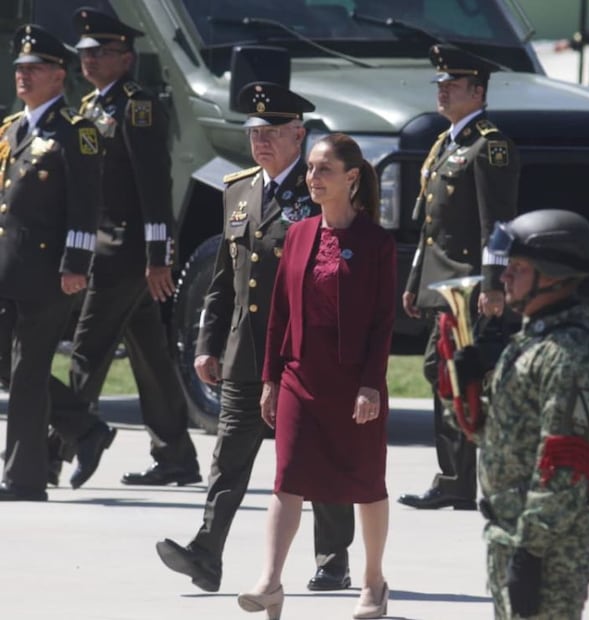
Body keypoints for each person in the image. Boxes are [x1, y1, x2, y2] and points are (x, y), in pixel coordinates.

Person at [155, 83, 354, 595]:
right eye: (254, 133)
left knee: (314, 451)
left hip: (302, 349)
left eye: (272, 133)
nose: (260, 142)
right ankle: (206, 552)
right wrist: (207, 342)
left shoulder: (318, 193)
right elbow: (224, 278)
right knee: (230, 454)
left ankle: (333, 558)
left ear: (298, 136)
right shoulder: (239, 188)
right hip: (246, 348)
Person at [43, 7, 201, 488]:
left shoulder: (138, 106)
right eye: (85, 52)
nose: (89, 60)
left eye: (102, 52)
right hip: (104, 249)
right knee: (151, 356)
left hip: (126, 254)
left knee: (87, 353)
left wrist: (159, 258)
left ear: (126, 59)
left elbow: (155, 185)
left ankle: (54, 451)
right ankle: (175, 455)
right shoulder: (91, 107)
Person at [240, 132, 395, 620]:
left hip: (354, 384)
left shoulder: (376, 242)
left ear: (352, 177)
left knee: (366, 482)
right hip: (300, 377)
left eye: (323, 169)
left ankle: (373, 581)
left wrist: (371, 383)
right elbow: (279, 314)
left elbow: (383, 323)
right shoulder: (299, 233)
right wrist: (269, 378)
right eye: (309, 169)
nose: (312, 178)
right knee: (287, 478)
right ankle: (269, 583)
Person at [473, 209, 589, 619]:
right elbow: (492, 435)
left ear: (550, 275)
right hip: (510, 533)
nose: (504, 278)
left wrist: (530, 554)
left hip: (549, 548)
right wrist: (459, 387)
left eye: (517, 268)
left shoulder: (570, 355)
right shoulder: (529, 342)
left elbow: (565, 465)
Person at [398, 44, 519, 511]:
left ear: (479, 91)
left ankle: (480, 478)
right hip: (441, 282)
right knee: (448, 374)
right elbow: (432, 227)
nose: (443, 91)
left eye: (454, 85)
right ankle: (457, 480)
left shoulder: (489, 145)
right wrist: (415, 281)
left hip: (469, 283)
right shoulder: (447, 142)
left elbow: (498, 225)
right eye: (441, 84)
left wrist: (493, 284)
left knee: (455, 373)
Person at [0, 24, 109, 501]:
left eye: (36, 69)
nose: (24, 76)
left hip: (48, 274)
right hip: (8, 268)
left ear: (59, 77)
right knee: (10, 364)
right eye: (21, 68)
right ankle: (83, 426)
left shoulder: (76, 133)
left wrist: (76, 265)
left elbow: (86, 206)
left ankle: (22, 478)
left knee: (27, 371)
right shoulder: (11, 129)